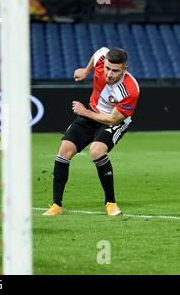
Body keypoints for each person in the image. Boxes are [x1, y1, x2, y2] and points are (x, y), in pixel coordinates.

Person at [43, 47, 140, 216]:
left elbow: (112, 120)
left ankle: (111, 203)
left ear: (125, 69)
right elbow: (99, 53)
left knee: (96, 151)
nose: (109, 74)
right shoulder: (102, 58)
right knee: (64, 150)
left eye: (115, 71)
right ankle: (56, 206)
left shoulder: (130, 89)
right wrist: (86, 71)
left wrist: (84, 112)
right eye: (107, 68)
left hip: (112, 120)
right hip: (91, 113)